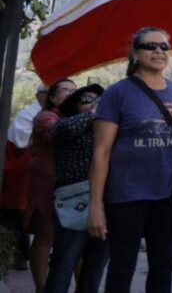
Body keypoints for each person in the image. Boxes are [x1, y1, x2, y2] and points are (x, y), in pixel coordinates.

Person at [88, 27, 172, 293]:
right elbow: (101, 152)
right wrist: (95, 205)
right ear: (135, 54)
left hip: (167, 195)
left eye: (164, 47)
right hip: (126, 195)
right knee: (122, 268)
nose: (159, 51)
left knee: (163, 269)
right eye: (151, 46)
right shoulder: (118, 93)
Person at [45, 83, 109, 293]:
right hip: (74, 202)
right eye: (87, 100)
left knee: (94, 269)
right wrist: (95, 112)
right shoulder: (65, 125)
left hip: (105, 202)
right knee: (63, 265)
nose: (94, 104)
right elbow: (62, 131)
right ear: (74, 106)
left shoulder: (108, 128)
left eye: (100, 100)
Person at [27, 78, 76, 293]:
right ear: (53, 97)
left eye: (75, 91)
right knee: (45, 235)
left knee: (75, 240)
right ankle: (41, 288)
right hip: (47, 183)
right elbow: (58, 132)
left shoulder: (78, 116)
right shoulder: (46, 117)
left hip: (73, 186)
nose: (71, 94)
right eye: (66, 90)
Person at [1, 84, 47, 271]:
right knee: (15, 211)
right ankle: (18, 254)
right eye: (47, 93)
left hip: (39, 168)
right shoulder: (27, 115)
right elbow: (20, 141)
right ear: (38, 95)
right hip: (21, 167)